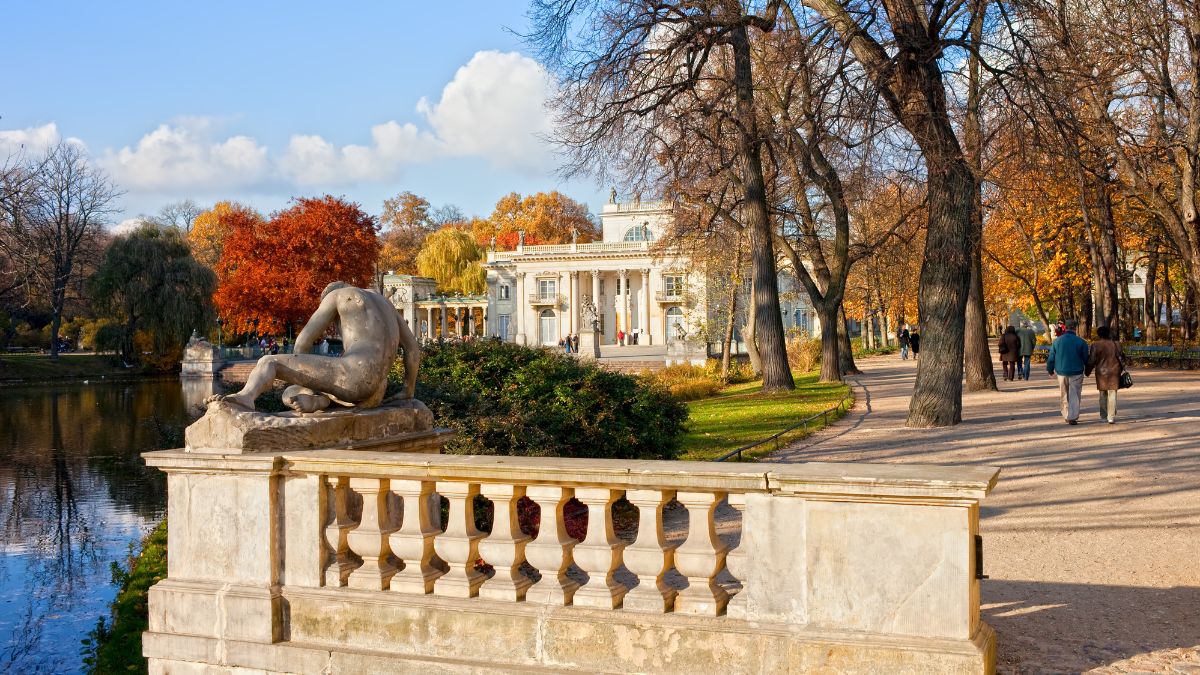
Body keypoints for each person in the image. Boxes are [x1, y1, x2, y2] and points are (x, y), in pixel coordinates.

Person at [207, 282, 420, 412]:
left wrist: (301, 376)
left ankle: (246, 397)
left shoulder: (336, 296)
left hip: (353, 374)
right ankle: (321, 401)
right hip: (376, 392)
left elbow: (303, 341)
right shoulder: (385, 303)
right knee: (291, 393)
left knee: (268, 362)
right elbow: (412, 351)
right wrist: (407, 391)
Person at [1046, 319, 1089, 425]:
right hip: (1077, 371)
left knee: (1064, 393)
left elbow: (1051, 357)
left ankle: (1065, 414)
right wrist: (1088, 370)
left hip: (1061, 371)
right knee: (1075, 394)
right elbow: (1086, 359)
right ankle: (1072, 416)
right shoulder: (1081, 342)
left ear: (1065, 327)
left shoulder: (1057, 341)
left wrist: (1050, 369)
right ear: (1076, 328)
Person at [1086, 325, 1125, 424]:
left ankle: (1103, 416)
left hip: (1101, 373)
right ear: (1108, 333)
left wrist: (1087, 371)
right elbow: (1122, 358)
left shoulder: (1095, 345)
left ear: (1099, 335)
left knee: (1103, 394)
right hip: (1114, 372)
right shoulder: (1117, 344)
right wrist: (1120, 370)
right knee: (1113, 394)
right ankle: (1111, 416)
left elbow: (1091, 360)